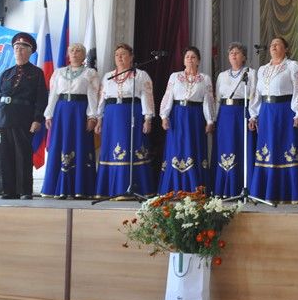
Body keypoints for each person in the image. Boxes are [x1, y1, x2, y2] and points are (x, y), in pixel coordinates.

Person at [0, 32, 48, 200]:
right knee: (6, 155)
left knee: (23, 154)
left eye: (22, 48)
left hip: (24, 118)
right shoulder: (6, 73)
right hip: (4, 117)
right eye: (16, 48)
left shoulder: (36, 73)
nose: (18, 51)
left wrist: (37, 119)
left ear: (30, 51)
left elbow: (41, 98)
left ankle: (25, 190)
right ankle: (9, 190)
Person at [248, 37, 298, 203]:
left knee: (286, 148)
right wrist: (253, 114)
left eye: (278, 44)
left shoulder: (292, 66)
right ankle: (265, 193)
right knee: (268, 150)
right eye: (272, 44)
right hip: (266, 113)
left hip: (285, 112)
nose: (273, 46)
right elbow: (256, 94)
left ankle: (290, 194)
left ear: (286, 49)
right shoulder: (262, 69)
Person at [93, 43, 155, 199]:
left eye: (123, 54)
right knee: (111, 149)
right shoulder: (108, 76)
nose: (119, 57)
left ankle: (134, 188)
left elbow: (147, 97)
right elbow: (102, 99)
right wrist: (99, 119)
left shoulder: (140, 75)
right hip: (111, 116)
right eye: (117, 55)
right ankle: (109, 190)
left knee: (131, 147)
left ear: (131, 57)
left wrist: (147, 118)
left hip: (131, 114)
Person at [41, 43, 100, 199]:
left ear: (84, 55)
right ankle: (57, 188)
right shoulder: (59, 72)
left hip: (79, 112)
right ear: (68, 54)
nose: (74, 53)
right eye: (72, 50)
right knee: (60, 145)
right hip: (61, 112)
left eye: (78, 50)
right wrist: (49, 115)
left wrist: (92, 116)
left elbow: (93, 95)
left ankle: (80, 188)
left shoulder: (90, 73)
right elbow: (53, 94)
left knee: (80, 145)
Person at [158, 46, 216, 194]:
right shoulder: (175, 76)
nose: (190, 59)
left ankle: (195, 188)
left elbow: (208, 100)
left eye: (193, 57)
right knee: (176, 148)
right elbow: (168, 96)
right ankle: (173, 187)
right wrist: (164, 116)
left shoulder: (205, 79)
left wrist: (210, 120)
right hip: (177, 115)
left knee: (193, 147)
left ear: (198, 61)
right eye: (187, 57)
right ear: (183, 61)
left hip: (195, 117)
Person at [212, 42, 257, 197]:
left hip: (241, 112)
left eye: (237, 52)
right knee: (225, 148)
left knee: (241, 148)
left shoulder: (250, 73)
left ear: (244, 57)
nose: (233, 55)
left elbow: (254, 96)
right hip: (225, 114)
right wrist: (214, 119)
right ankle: (223, 188)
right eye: (231, 53)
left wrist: (253, 116)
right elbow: (217, 99)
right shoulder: (222, 75)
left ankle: (242, 186)